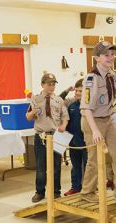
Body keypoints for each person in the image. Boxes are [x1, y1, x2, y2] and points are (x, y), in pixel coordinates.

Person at [80, 41, 116, 204]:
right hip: (93, 121)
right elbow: (86, 109)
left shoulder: (111, 75)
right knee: (94, 157)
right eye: (107, 55)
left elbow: (111, 97)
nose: (111, 57)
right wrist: (96, 131)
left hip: (109, 118)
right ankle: (87, 191)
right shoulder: (91, 79)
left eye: (112, 54)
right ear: (97, 58)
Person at [27, 73, 69, 203]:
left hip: (56, 136)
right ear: (42, 85)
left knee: (56, 165)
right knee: (41, 166)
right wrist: (33, 112)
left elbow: (65, 116)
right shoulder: (36, 99)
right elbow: (28, 117)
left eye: (53, 85)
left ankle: (56, 191)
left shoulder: (59, 100)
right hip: (41, 136)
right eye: (49, 84)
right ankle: (39, 192)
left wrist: (64, 126)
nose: (51, 87)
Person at [59, 79, 88, 196]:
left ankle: (89, 188)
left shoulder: (90, 106)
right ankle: (75, 187)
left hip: (87, 142)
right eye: (76, 90)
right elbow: (58, 100)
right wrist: (67, 90)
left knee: (88, 166)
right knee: (75, 166)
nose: (77, 93)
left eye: (80, 91)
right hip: (74, 142)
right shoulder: (71, 104)